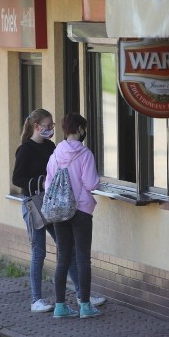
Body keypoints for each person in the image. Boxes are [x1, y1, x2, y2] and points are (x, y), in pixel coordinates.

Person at [12, 108, 105, 313]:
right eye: (47, 126)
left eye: (53, 125)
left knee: (66, 250)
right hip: (34, 203)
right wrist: (41, 182)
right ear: (37, 127)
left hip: (56, 204)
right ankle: (37, 298)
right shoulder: (25, 149)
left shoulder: (53, 148)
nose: (51, 129)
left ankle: (82, 294)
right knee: (39, 250)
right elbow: (17, 179)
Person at [46, 113, 102, 319]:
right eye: (83, 128)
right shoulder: (85, 154)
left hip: (60, 211)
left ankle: (60, 306)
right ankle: (85, 306)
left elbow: (48, 183)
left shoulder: (55, 154)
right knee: (82, 259)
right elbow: (91, 183)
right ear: (79, 129)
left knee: (63, 259)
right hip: (81, 211)